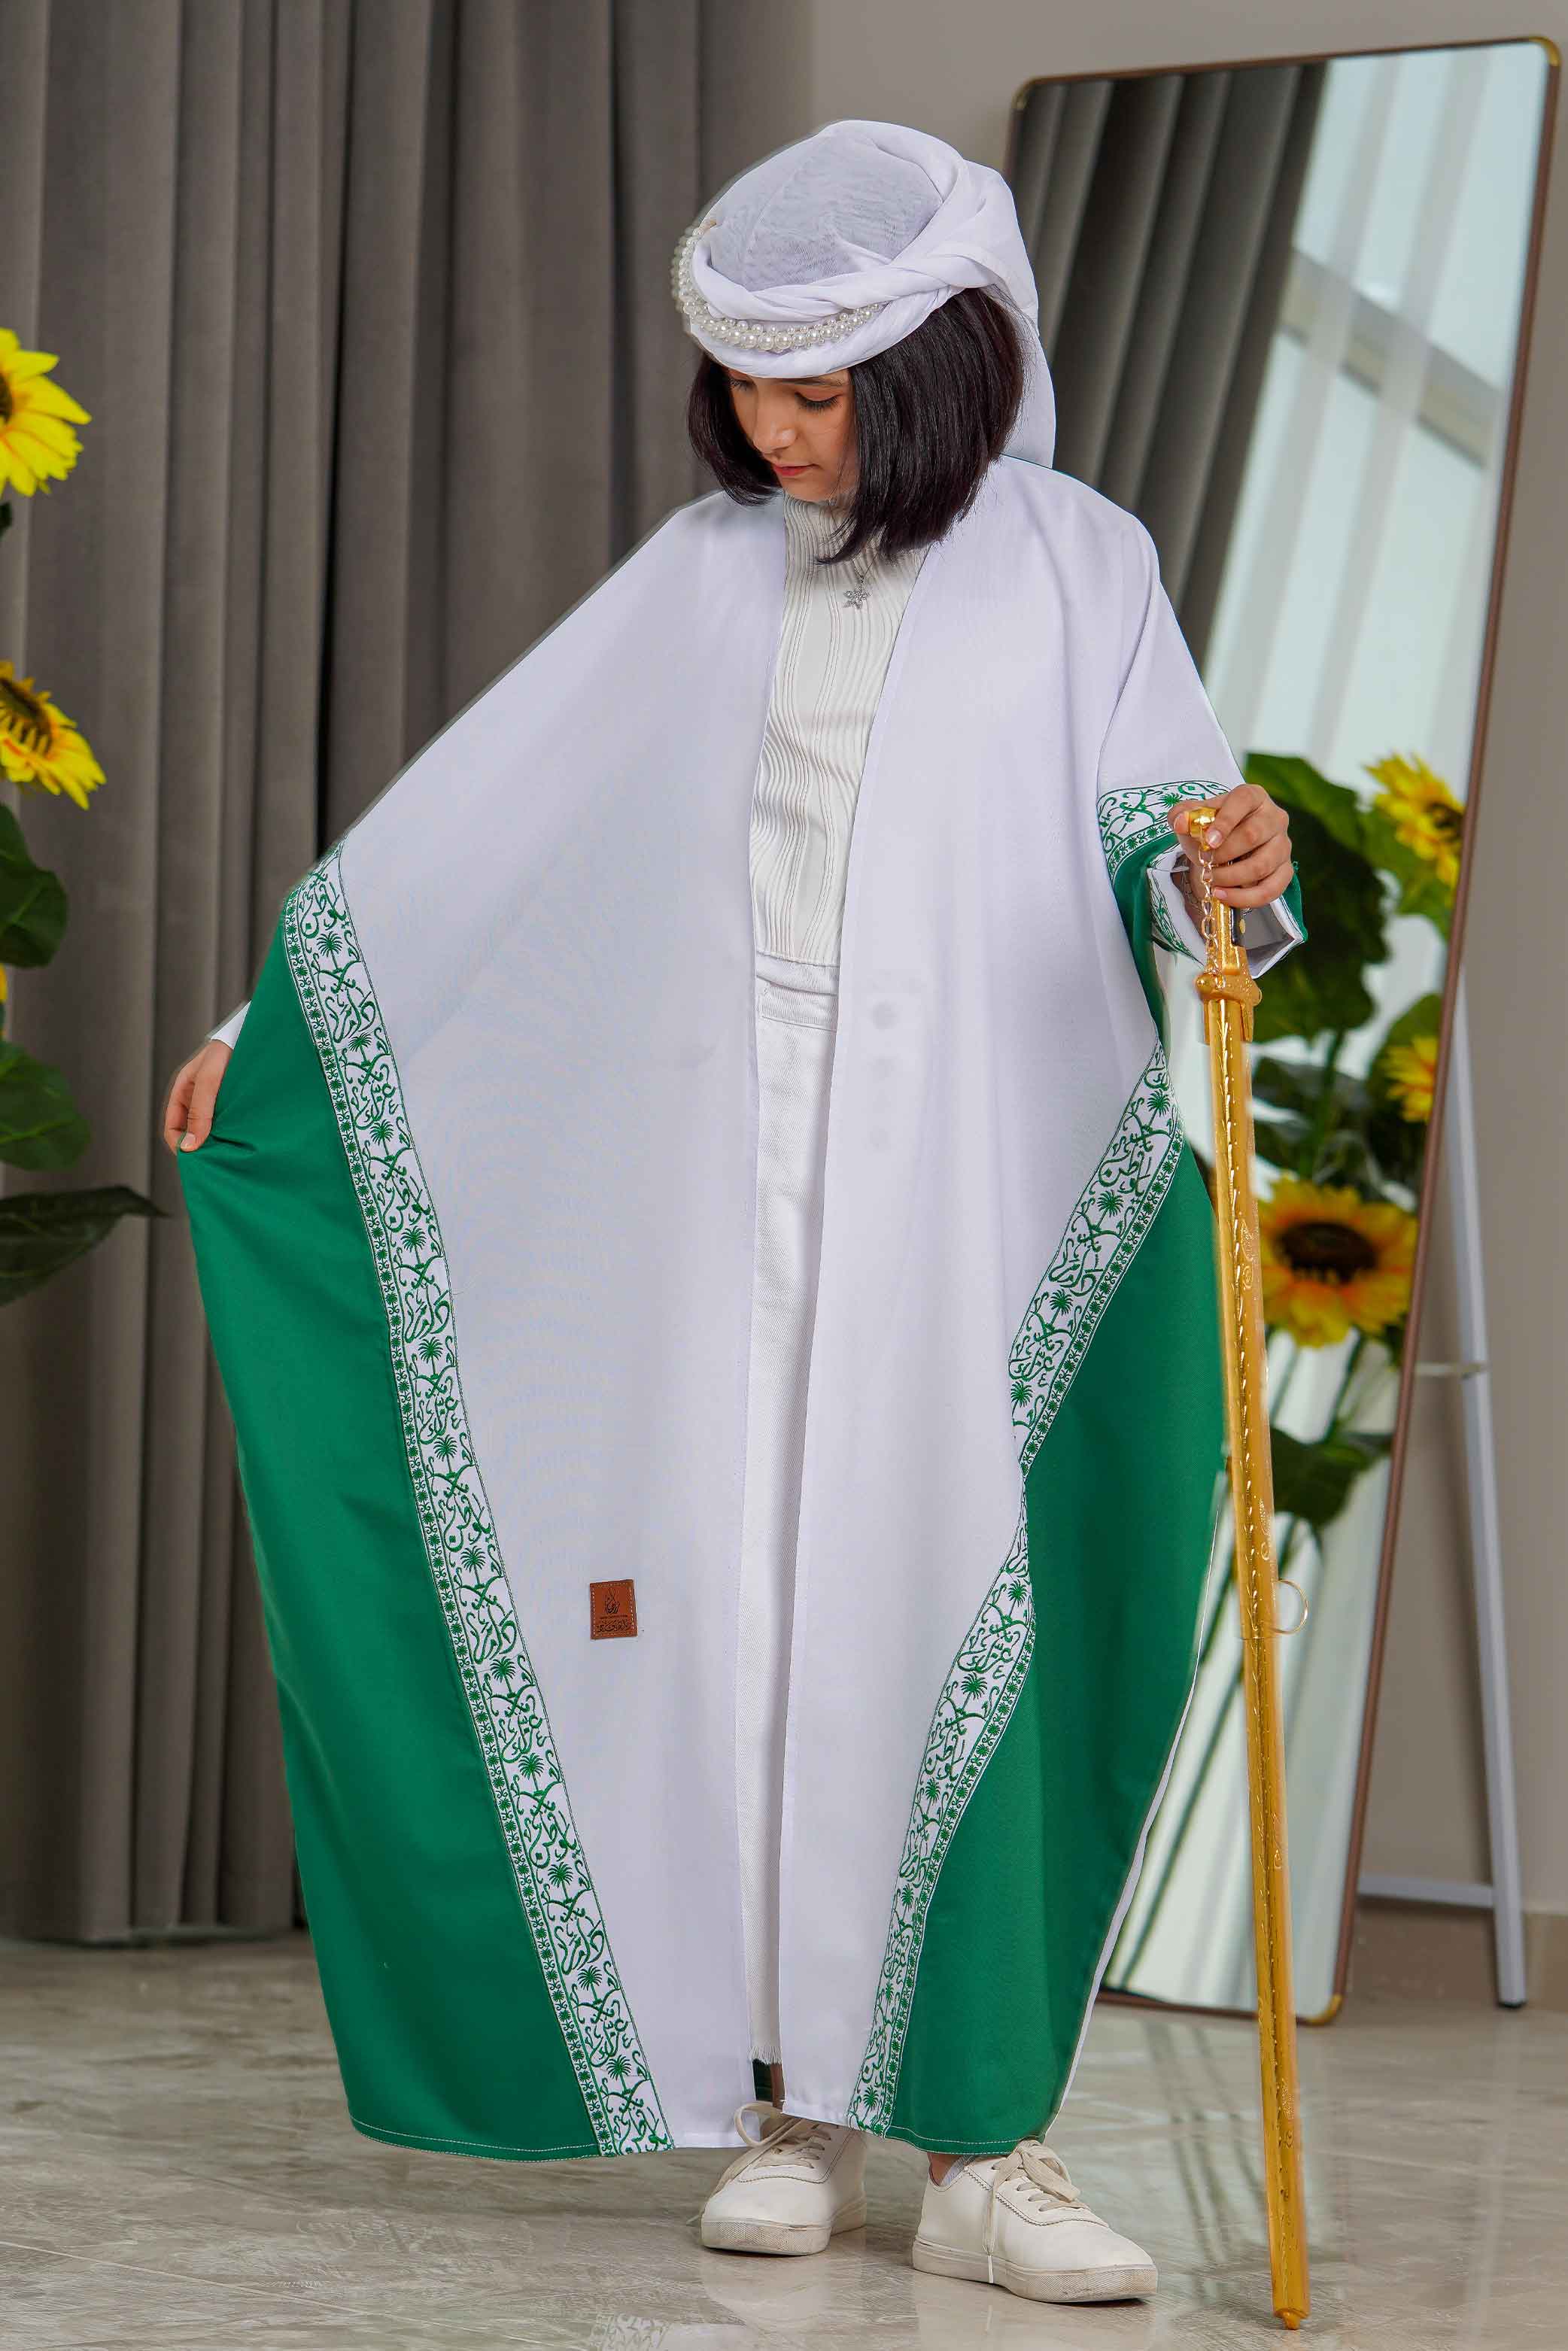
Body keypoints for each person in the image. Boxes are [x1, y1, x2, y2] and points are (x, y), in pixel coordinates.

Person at [164, 120, 1299, 2309]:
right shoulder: (701, 575)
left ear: (946, 364)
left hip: (959, 1191)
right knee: (739, 1617)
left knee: (934, 1606)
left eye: (821, 392)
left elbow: (1169, 853)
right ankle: (793, 2109)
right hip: (715, 1184)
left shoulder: (1081, 565)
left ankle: (985, 2144)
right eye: (751, 393)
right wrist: (263, 1034)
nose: (778, 436)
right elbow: (486, 837)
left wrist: (1223, 869)